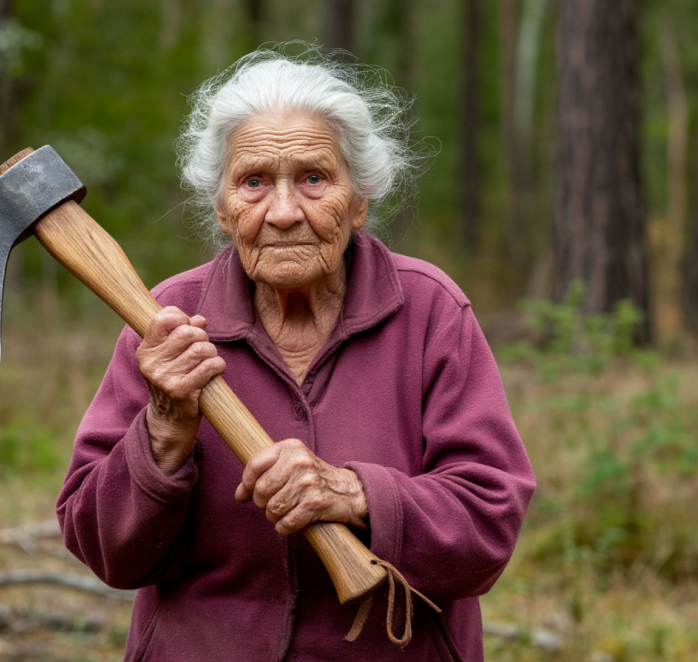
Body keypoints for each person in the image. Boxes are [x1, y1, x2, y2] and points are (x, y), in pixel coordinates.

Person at [57, 46, 536, 662]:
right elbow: (106, 552)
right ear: (222, 208)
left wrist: (356, 494)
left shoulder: (429, 311)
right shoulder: (165, 322)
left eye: (313, 178)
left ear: (359, 200)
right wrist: (162, 434)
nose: (283, 213)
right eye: (254, 182)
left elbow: (489, 525)